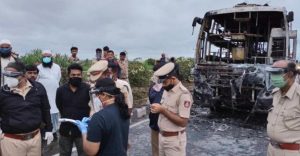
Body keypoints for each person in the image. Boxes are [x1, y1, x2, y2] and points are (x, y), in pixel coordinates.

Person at [0, 62, 53, 156]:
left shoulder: (38, 88)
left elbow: (45, 109)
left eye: (13, 75)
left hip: (35, 139)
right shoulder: (3, 92)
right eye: (7, 75)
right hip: (12, 141)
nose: (9, 78)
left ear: (23, 75)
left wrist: (49, 129)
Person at [73, 78, 130, 156]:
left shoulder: (98, 117)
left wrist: (84, 132)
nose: (97, 97)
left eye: (97, 95)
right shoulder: (123, 110)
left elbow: (90, 151)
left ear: (103, 95)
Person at [150, 62, 193, 156]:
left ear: (173, 79)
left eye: (165, 82)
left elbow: (183, 122)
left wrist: (163, 110)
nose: (163, 86)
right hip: (162, 137)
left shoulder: (183, 94)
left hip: (174, 142)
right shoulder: (167, 90)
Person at [266, 60, 300, 156]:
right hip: (271, 149)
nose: (273, 77)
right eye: (272, 73)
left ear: (289, 74)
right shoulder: (275, 93)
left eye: (276, 73)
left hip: (291, 152)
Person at [56, 63, 90, 156]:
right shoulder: (61, 90)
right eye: (73, 75)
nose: (76, 77)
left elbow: (91, 106)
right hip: (65, 129)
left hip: (83, 130)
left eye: (78, 75)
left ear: (81, 75)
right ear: (68, 75)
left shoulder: (87, 89)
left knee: (84, 153)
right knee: (64, 153)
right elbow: (59, 105)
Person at [37, 50, 61, 139]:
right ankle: (45, 132)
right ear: (42, 57)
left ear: (51, 57)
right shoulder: (38, 68)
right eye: (44, 56)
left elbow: (58, 78)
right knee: (45, 112)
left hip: (54, 94)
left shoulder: (57, 67)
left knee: (54, 112)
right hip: (44, 95)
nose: (46, 58)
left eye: (48, 56)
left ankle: (54, 131)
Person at [148, 74, 164, 156]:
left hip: (164, 124)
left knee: (162, 149)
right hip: (154, 121)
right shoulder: (152, 88)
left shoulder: (167, 89)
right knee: (155, 148)